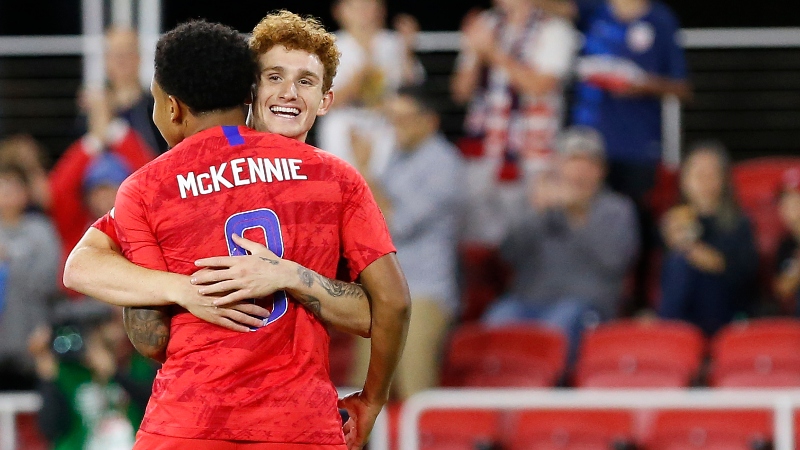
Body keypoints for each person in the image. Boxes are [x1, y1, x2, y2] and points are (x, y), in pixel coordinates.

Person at [68, 17, 410, 449]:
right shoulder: (334, 177)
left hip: (187, 424)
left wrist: (184, 290)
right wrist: (372, 399)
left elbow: (147, 333)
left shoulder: (149, 186)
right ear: (250, 92)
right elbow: (389, 307)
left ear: (171, 107)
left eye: (304, 81)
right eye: (275, 77)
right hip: (299, 426)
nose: (288, 92)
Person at [568, 0, 691, 313]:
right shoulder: (593, 9)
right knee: (580, 219)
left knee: (636, 226)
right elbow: (550, 7)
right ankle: (584, 299)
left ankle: (637, 305)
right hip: (588, 147)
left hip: (638, 147)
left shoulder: (661, 19)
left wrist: (641, 84)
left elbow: (683, 87)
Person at [481, 126, 639, 364]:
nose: (579, 171)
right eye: (572, 162)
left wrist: (578, 215)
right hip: (527, 301)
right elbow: (509, 254)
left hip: (587, 305)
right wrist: (535, 212)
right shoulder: (539, 202)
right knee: (497, 320)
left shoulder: (616, 209)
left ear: (601, 171)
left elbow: (616, 261)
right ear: (557, 166)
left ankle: (546, 396)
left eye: (588, 163)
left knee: (558, 324)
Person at [349, 85, 466, 399]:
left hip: (425, 292)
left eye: (404, 118)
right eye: (392, 117)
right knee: (364, 393)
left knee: (415, 389)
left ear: (430, 121)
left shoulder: (444, 163)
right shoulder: (396, 159)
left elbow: (395, 224)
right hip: (384, 291)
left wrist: (364, 171)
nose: (395, 126)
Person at [451, 0, 577, 244]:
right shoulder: (485, 25)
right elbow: (460, 92)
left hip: (532, 156)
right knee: (477, 236)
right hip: (483, 152)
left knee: (528, 235)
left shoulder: (554, 29)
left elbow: (540, 86)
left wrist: (493, 52)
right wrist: (477, 53)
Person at [657, 141, 758, 336]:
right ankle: (668, 335)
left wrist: (690, 248)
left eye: (711, 173)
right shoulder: (671, 221)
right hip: (683, 310)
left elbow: (743, 275)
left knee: (682, 263)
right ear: (684, 179)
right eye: (697, 173)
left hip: (727, 310)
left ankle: (667, 334)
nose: (703, 180)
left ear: (724, 180)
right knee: (677, 265)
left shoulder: (739, 224)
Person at [28, 300, 157, 450]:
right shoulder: (67, 372)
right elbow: (49, 429)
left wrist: (115, 373)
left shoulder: (140, 364)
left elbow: (154, 410)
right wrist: (47, 376)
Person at [317, 0, 423, 178]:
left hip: (384, 122)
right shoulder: (328, 46)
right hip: (345, 121)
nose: (364, 13)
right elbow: (321, 103)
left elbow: (415, 90)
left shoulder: (393, 43)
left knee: (383, 184)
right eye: (357, 7)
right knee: (342, 179)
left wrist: (407, 52)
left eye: (369, 6)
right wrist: (358, 80)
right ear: (339, 11)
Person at [0, 163, 61, 390]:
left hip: (34, 334)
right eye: (2, 187)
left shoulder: (41, 230)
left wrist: (45, 325)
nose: (6, 194)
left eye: (13, 188)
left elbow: (49, 283)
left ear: (25, 194)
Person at [76, 26, 168, 154]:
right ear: (106, 59)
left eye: (127, 52)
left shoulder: (156, 105)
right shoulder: (91, 108)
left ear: (139, 57)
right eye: (116, 54)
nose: (121, 60)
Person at [773, 168, 800, 314]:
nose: (793, 207)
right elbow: (781, 290)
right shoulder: (786, 244)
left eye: (797, 200)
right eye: (787, 201)